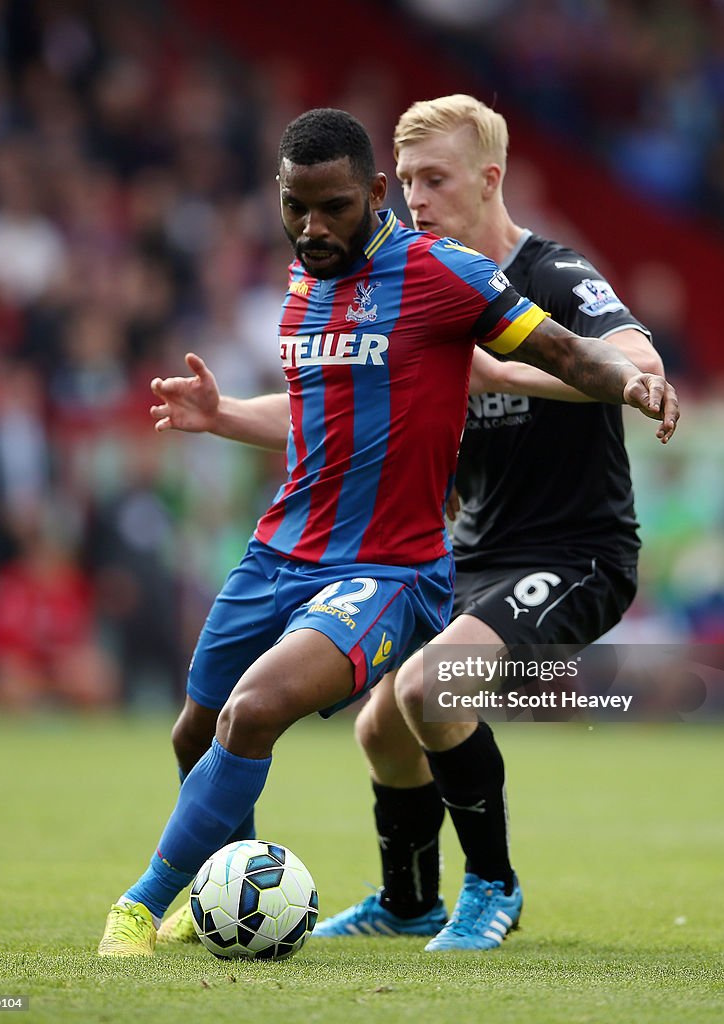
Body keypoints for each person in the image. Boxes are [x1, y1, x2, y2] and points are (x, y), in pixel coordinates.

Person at [97, 106, 677, 956]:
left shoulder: (545, 274)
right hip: (471, 548)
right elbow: (336, 410)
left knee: (429, 689)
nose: (415, 197)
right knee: (378, 727)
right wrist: (221, 417)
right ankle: (407, 900)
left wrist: (498, 371)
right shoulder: (363, 286)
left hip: (571, 550)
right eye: (407, 182)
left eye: (433, 179)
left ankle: (493, 890)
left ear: (488, 180)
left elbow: (640, 362)